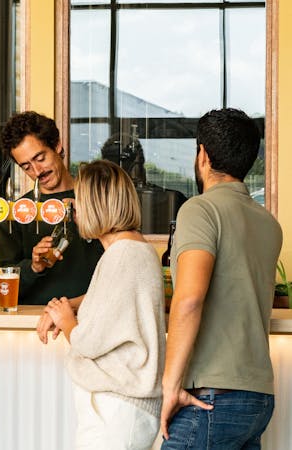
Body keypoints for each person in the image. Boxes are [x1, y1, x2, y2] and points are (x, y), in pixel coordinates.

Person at [160, 108, 283, 449]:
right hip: (257, 399)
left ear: (203, 154)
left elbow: (189, 299)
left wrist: (170, 387)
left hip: (211, 398)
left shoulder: (201, 209)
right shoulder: (268, 223)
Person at [43, 159, 166, 450]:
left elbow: (89, 340)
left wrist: (66, 321)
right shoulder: (135, 250)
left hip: (116, 408)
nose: (74, 212)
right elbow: (114, 301)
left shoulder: (122, 255)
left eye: (79, 203)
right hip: (123, 407)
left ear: (97, 205)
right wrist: (69, 306)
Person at [0, 111, 103, 305]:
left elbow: (123, 259)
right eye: (26, 166)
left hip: (92, 319)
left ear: (57, 145)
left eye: (40, 158)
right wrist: (33, 267)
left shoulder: (100, 199)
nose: (37, 171)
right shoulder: (19, 211)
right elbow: (1, 282)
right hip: (36, 324)